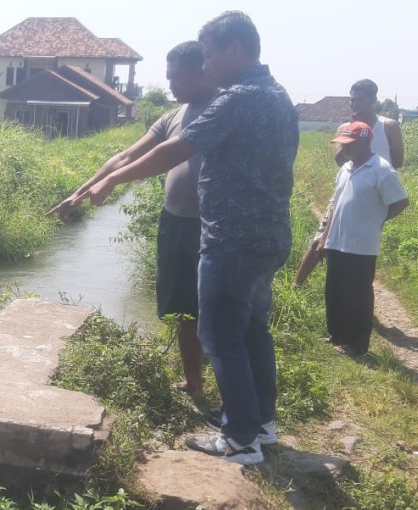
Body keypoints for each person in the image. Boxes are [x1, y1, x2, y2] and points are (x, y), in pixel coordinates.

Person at [48, 11, 298, 464]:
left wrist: (109, 183)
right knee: (251, 329)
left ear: (234, 51)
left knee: (220, 334)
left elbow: (176, 150)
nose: (206, 67)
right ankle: (261, 424)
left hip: (232, 237)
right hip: (267, 234)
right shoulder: (276, 95)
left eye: (209, 57)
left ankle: (241, 440)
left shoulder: (239, 98)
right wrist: (92, 183)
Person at [61, 41, 217, 394]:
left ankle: (230, 389)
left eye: (177, 77)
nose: (172, 85)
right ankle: (194, 382)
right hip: (175, 222)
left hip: (212, 225)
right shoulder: (173, 116)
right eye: (168, 77)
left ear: (202, 71)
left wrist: (113, 182)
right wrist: (81, 191)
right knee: (182, 308)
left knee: (215, 307)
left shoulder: (222, 109)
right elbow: (125, 157)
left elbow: (161, 158)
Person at [294, 79, 405, 285]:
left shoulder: (389, 126)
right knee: (322, 236)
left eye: (360, 100)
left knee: (362, 247)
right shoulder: (345, 128)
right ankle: (297, 286)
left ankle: (358, 297)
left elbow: (397, 162)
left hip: (375, 192)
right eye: (352, 101)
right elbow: (339, 160)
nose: (355, 105)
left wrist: (371, 160)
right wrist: (354, 138)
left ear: (373, 100)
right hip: (349, 188)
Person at [320, 121, 409, 356]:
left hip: (361, 245)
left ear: (364, 142)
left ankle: (357, 345)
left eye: (348, 145)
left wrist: (377, 219)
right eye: (342, 144)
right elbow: (336, 204)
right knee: (335, 291)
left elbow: (400, 202)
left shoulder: (381, 169)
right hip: (337, 240)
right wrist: (324, 237)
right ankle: (336, 335)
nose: (344, 149)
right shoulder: (345, 169)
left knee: (357, 295)